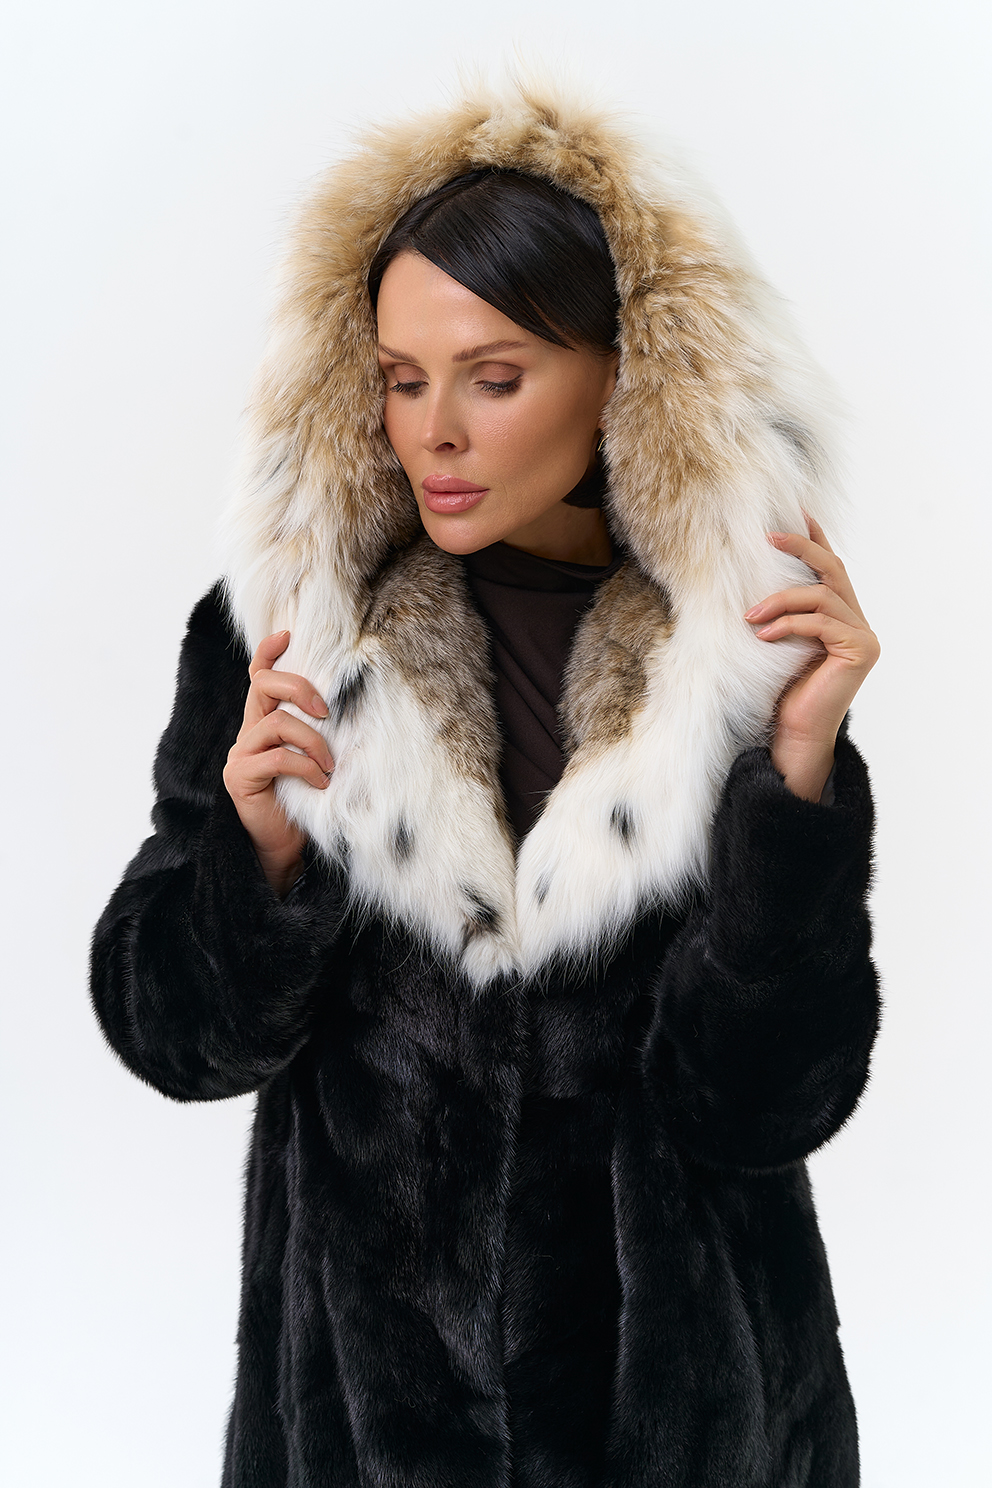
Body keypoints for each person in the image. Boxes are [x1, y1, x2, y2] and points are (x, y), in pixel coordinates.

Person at [91, 81, 881, 1488]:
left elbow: (764, 1108)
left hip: (687, 1426)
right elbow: (177, 1043)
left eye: (494, 377)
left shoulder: (731, 669)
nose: (434, 431)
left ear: (630, 377)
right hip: (365, 1430)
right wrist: (255, 862)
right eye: (403, 379)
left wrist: (799, 783)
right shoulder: (288, 639)